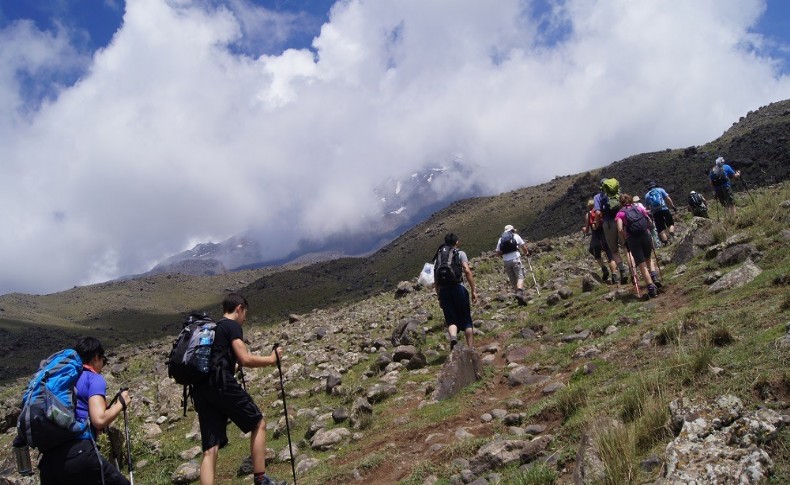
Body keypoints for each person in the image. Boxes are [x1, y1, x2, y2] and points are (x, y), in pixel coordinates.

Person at [191, 293, 284, 485]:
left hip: (200, 389)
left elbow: (228, 362)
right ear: (239, 308)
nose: (245, 319)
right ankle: (261, 479)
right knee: (258, 423)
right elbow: (245, 358)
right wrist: (272, 359)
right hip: (221, 384)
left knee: (210, 447)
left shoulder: (214, 330)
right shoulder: (231, 326)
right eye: (245, 314)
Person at [38, 337, 132, 485]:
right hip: (79, 453)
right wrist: (121, 403)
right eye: (103, 360)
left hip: (48, 463)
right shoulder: (93, 378)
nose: (102, 365)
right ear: (96, 357)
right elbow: (99, 420)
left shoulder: (63, 380)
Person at [434, 233, 478, 351]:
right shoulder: (460, 253)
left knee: (451, 320)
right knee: (466, 319)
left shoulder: (439, 256)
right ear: (456, 242)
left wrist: (439, 296)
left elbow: (436, 279)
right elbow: (467, 271)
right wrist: (473, 290)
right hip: (459, 288)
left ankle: (453, 337)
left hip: (444, 291)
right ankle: (470, 348)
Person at [616, 194, 659, 298]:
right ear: (630, 200)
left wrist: (625, 239)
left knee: (641, 263)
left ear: (620, 202)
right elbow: (649, 220)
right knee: (648, 257)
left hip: (633, 239)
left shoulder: (620, 213)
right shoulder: (639, 208)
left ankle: (651, 289)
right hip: (645, 235)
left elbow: (620, 228)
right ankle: (655, 278)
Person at [594, 178, 628, 285]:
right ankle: (633, 271)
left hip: (608, 223)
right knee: (626, 247)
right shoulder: (618, 193)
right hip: (620, 221)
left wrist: (598, 224)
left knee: (614, 250)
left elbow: (598, 213)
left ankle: (622, 271)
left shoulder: (598, 197)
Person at [495, 224, 529, 304]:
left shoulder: (501, 239)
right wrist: (526, 253)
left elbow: (497, 253)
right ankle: (520, 293)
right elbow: (523, 247)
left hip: (506, 261)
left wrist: (504, 253)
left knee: (513, 280)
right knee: (520, 276)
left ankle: (520, 299)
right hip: (515, 259)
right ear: (512, 230)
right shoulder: (516, 236)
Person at [581, 199, 611, 282]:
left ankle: (604, 268)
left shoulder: (588, 215)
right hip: (605, 234)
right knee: (609, 254)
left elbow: (587, 230)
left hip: (596, 237)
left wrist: (584, 229)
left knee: (593, 251)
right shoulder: (600, 211)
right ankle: (615, 274)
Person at [644, 181, 677, 245]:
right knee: (671, 224)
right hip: (664, 209)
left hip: (656, 213)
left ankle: (666, 242)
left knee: (661, 228)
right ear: (655, 185)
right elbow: (668, 198)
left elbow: (647, 208)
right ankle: (671, 233)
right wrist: (673, 206)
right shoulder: (660, 190)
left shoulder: (647, 195)